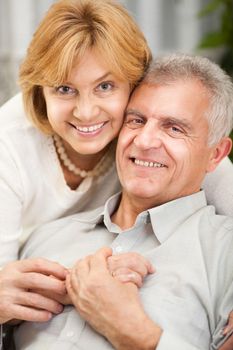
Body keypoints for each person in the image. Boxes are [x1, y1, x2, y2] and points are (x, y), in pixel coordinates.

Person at [11, 53, 233, 350]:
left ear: (216, 154)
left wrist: (133, 331)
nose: (143, 141)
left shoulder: (224, 256)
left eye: (174, 128)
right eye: (136, 120)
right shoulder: (46, 238)